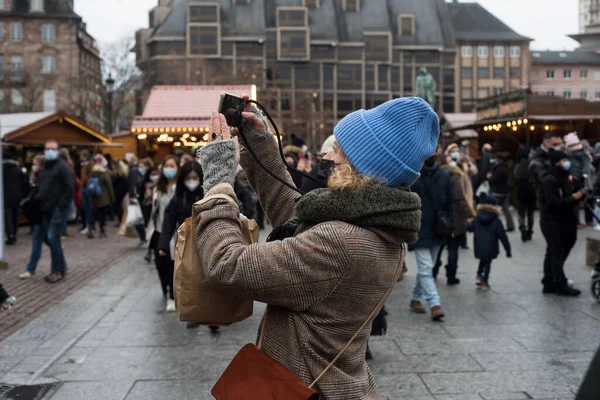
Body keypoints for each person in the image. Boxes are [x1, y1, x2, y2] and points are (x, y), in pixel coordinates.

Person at [196, 96, 435, 399]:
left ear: (359, 166)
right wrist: (260, 145)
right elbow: (297, 221)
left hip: (307, 388)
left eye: (337, 149)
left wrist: (218, 184)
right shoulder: (379, 224)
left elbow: (228, 264)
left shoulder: (342, 243)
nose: (328, 156)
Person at [158, 161, 204, 328]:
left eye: (195, 177)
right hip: (186, 244)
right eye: (189, 178)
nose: (192, 181)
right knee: (190, 279)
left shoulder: (207, 194)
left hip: (207, 241)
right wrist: (163, 245)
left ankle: (213, 313)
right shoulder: (178, 198)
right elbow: (168, 221)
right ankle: (193, 313)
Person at [409, 155, 451, 320]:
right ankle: (435, 304)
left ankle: (414, 298)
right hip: (419, 229)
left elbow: (449, 203)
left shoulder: (444, 176)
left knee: (427, 268)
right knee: (426, 268)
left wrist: (451, 226)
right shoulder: (413, 176)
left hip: (438, 229)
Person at [539, 150, 582, 296]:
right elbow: (552, 202)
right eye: (564, 159)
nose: (566, 162)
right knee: (556, 251)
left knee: (554, 251)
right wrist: (572, 198)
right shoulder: (550, 179)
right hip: (552, 220)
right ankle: (559, 282)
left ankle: (549, 280)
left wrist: (576, 195)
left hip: (564, 219)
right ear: (557, 162)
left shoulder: (562, 177)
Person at [31, 140, 74, 283]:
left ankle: (56, 270)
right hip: (46, 208)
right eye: (47, 149)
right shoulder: (44, 169)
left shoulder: (63, 167)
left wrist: (61, 205)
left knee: (52, 237)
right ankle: (61, 267)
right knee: (52, 239)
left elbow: (69, 187)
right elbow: (42, 187)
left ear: (57, 151)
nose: (49, 151)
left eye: (52, 149)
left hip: (57, 209)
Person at [148, 156, 178, 312]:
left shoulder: (180, 188)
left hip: (175, 234)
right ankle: (166, 287)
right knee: (160, 265)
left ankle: (172, 296)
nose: (169, 168)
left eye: (172, 165)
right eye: (167, 165)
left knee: (172, 265)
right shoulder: (158, 188)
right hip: (158, 231)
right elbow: (154, 210)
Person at [440, 155, 475, 284]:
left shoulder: (438, 175)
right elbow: (460, 198)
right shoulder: (456, 176)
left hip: (440, 216)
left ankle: (433, 271)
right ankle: (451, 276)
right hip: (454, 216)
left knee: (439, 247)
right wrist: (469, 214)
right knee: (453, 247)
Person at [466, 194, 511, 290]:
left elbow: (470, 227)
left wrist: (467, 222)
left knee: (483, 260)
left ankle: (478, 276)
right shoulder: (496, 220)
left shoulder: (477, 218)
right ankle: (484, 281)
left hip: (479, 245)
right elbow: (503, 236)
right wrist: (508, 250)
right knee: (487, 263)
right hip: (491, 246)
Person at [19, 155, 47, 279]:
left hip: (40, 215)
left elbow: (40, 195)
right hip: (40, 215)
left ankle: (30, 269)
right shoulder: (41, 176)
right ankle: (61, 264)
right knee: (49, 241)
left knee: (37, 242)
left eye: (35, 163)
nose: (33, 165)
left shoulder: (42, 177)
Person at [564, 132, 593, 227]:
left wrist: (584, 172)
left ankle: (586, 220)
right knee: (577, 201)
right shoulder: (568, 155)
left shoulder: (580, 155)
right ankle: (578, 221)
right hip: (576, 180)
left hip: (580, 180)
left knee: (585, 200)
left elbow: (586, 165)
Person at [3, 147, 28, 245]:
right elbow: (25, 182)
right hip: (17, 195)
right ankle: (14, 232)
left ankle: (10, 235)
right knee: (15, 214)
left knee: (7, 215)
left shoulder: (2, 170)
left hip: (5, 196)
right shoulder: (19, 169)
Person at [87, 154, 115, 239]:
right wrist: (112, 198)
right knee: (102, 214)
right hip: (103, 196)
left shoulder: (92, 172)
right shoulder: (103, 172)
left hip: (94, 196)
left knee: (94, 213)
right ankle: (102, 231)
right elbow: (109, 185)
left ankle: (91, 228)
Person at [487, 153, 515, 232]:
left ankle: (491, 225)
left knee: (492, 208)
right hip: (506, 191)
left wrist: (489, 177)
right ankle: (510, 225)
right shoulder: (505, 168)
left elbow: (494, 179)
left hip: (498, 192)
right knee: (506, 209)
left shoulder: (499, 169)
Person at [513, 146, 536, 242]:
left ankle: (522, 227)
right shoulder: (532, 164)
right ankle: (530, 231)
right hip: (531, 189)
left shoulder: (517, 166)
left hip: (520, 190)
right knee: (530, 212)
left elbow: (515, 176)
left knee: (521, 212)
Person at [59, 148, 81, 238]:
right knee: (67, 212)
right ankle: (62, 231)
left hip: (60, 191)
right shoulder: (68, 165)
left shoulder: (57, 164)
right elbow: (73, 177)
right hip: (68, 190)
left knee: (64, 211)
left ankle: (62, 230)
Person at [78, 149, 94, 234]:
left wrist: (83, 183)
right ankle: (88, 225)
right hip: (84, 187)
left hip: (87, 188)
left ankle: (89, 226)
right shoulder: (84, 164)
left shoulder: (89, 164)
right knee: (85, 208)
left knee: (88, 208)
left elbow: (88, 176)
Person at [111, 160, 129, 226]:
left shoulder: (119, 175)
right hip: (121, 193)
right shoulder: (123, 174)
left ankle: (121, 221)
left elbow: (113, 183)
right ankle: (121, 220)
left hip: (118, 193)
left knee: (118, 207)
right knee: (120, 207)